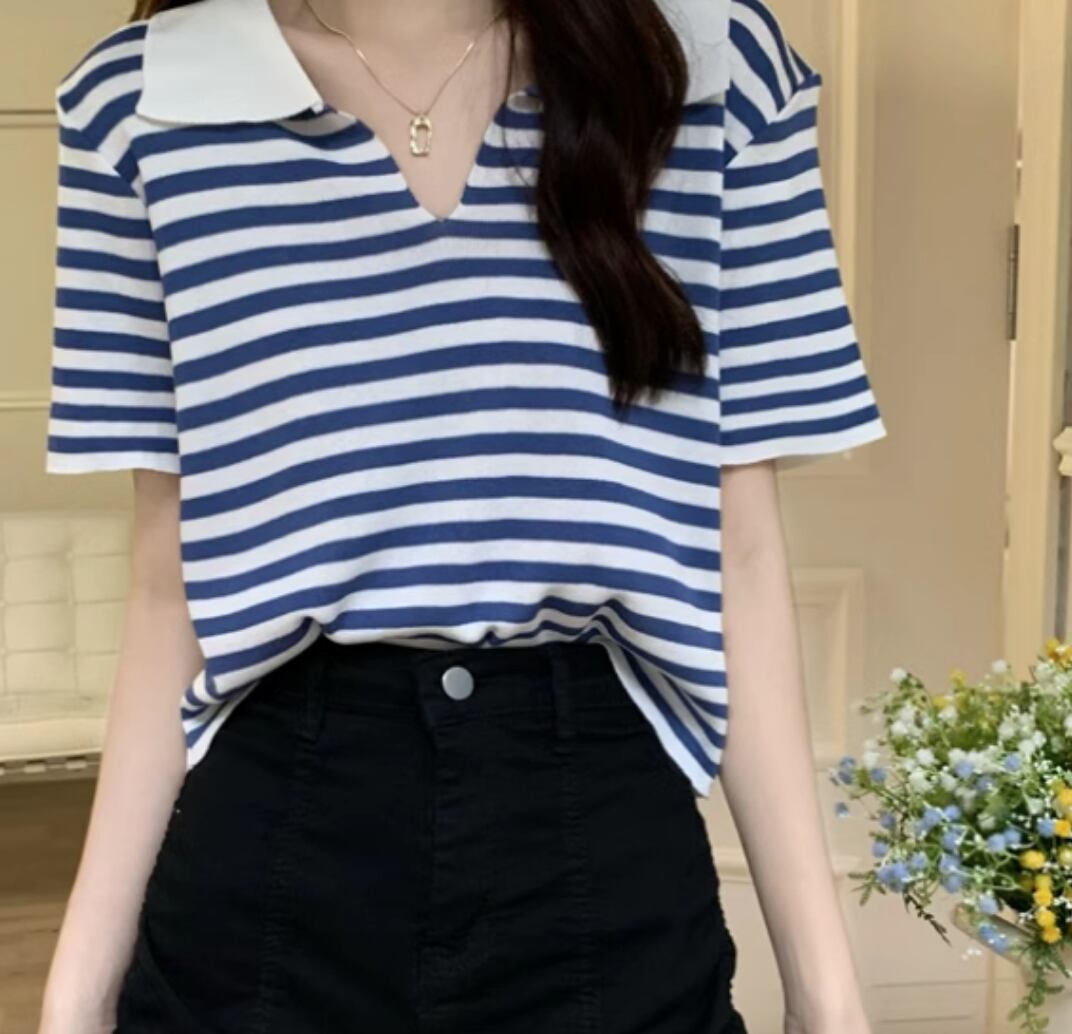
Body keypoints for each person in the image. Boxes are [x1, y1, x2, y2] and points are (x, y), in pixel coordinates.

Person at [37, 0, 886, 1031]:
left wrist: (825, 993)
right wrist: (74, 992)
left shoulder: (711, 67)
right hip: (270, 842)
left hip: (599, 846)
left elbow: (736, 551)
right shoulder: (143, 100)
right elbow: (169, 579)